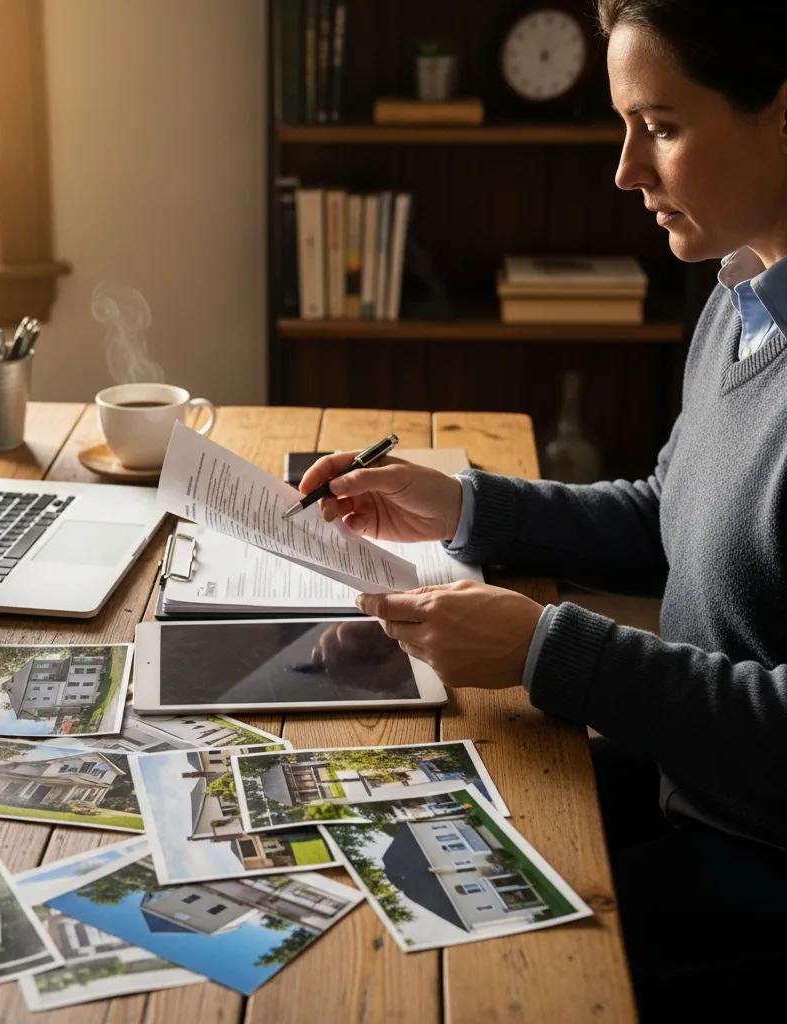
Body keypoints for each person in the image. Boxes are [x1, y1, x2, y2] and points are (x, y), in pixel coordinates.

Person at [298, 2, 787, 1017]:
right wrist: (461, 503)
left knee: (420, 980)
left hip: (762, 856)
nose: (623, 170)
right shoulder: (742, 295)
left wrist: (545, 651)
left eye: (660, 126)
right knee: (353, 853)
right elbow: (677, 512)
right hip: (691, 783)